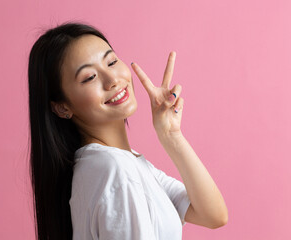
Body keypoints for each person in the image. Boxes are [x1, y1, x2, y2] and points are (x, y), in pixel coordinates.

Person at [27, 21, 228, 240]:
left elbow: (213, 215)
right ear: (62, 107)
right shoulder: (114, 169)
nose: (113, 80)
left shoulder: (118, 164)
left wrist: (171, 136)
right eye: (89, 77)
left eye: (111, 62)